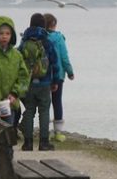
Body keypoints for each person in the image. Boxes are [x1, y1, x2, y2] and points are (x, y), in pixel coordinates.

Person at [18, 12, 60, 151]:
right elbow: (54, 62)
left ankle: (28, 143)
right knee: (44, 111)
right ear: (44, 25)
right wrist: (56, 81)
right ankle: (43, 142)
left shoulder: (24, 41)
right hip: (44, 82)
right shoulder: (46, 41)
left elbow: (18, 60)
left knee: (29, 111)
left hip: (28, 82)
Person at [43, 13, 75, 142]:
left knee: (44, 103)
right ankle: (58, 132)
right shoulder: (59, 38)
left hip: (43, 75)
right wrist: (70, 71)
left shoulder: (39, 38)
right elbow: (64, 57)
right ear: (53, 24)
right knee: (57, 102)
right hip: (58, 75)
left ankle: (44, 130)